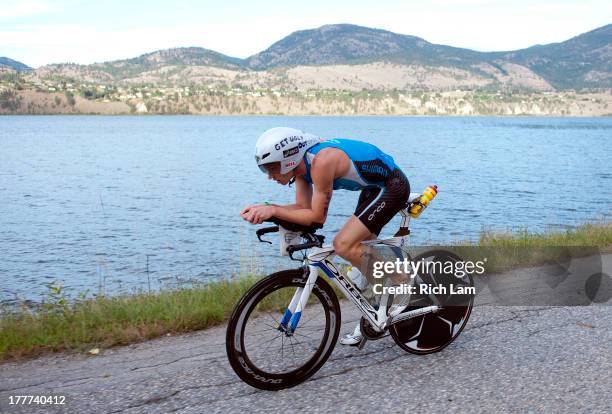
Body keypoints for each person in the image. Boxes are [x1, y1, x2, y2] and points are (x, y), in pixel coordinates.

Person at [240, 127, 409, 345]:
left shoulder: (321, 162)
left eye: (272, 168)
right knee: (361, 262)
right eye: (265, 169)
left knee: (344, 245)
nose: (270, 176)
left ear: (289, 159)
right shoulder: (300, 170)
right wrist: (266, 207)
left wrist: (273, 210)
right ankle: (377, 313)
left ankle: (402, 284)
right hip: (373, 189)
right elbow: (302, 208)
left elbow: (317, 217)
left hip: (392, 186)